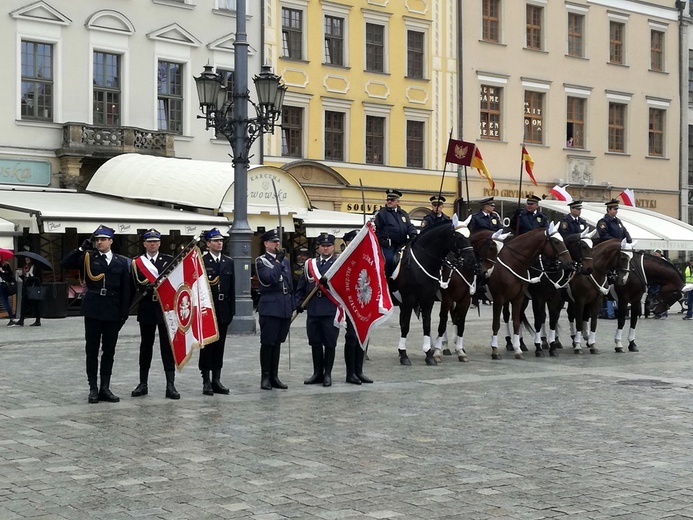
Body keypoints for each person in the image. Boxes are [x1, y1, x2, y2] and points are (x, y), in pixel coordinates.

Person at [61, 225, 130, 403]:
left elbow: (126, 290)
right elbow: (65, 263)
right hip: (93, 308)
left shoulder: (121, 262)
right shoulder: (88, 258)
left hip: (113, 310)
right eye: (97, 239)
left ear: (110, 241)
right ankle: (93, 387)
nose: (99, 242)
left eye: (102, 239)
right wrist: (80, 248)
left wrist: (124, 314)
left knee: (109, 351)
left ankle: (105, 387)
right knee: (91, 350)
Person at [130, 229, 179, 399]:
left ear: (159, 243)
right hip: (147, 308)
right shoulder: (137, 263)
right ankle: (143, 383)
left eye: (155, 241)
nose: (153, 244)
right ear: (144, 243)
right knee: (146, 346)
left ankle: (170, 385)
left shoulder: (169, 260)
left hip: (165, 309)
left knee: (167, 347)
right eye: (149, 241)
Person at [296, 233, 339, 387]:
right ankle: (317, 373)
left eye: (328, 246)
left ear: (333, 247)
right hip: (313, 309)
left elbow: (342, 288)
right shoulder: (310, 264)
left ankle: (327, 374)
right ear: (319, 247)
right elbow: (302, 286)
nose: (326, 248)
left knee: (329, 342)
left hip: (330, 309)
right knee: (315, 342)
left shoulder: (337, 264)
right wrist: (299, 303)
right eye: (323, 246)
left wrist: (328, 284)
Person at [255, 229, 294, 390]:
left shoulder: (283, 260)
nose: (277, 244)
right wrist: (277, 262)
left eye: (278, 242)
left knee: (278, 342)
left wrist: (292, 304)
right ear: (266, 244)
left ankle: (274, 376)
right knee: (268, 342)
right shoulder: (261, 261)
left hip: (284, 305)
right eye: (273, 242)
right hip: (270, 305)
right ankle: (265, 377)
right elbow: (269, 279)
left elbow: (289, 282)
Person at [200, 228, 235, 395]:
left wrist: (232, 312)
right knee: (207, 346)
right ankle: (206, 379)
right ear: (208, 244)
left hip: (223, 309)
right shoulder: (202, 261)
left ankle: (216, 379)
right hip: (208, 309)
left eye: (221, 240)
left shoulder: (228, 262)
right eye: (215, 240)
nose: (219, 243)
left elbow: (232, 289)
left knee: (220, 346)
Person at [342, 229, 373, 385]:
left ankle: (359, 371)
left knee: (363, 335)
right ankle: (350, 373)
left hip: (362, 302)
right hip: (348, 303)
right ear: (347, 243)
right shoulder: (342, 259)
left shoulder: (365, 258)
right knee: (352, 337)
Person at [374, 188, 417, 276]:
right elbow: (376, 229)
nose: (389, 201)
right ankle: (388, 281)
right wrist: (381, 239)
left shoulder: (403, 214)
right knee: (389, 260)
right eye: (388, 199)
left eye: (392, 200)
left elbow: (409, 226)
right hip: (389, 246)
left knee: (410, 259)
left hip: (402, 245)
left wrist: (413, 234)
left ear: (397, 202)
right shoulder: (382, 214)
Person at [16, 256, 43, 327]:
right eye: (25, 259)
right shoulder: (25, 267)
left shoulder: (36, 267)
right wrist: (22, 275)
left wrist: (31, 276)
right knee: (23, 303)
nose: (26, 260)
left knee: (35, 304)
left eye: (28, 259)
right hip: (26, 287)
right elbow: (25, 278)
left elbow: (39, 278)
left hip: (33, 287)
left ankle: (38, 321)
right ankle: (21, 320)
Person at [0, 261, 17, 326]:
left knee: (5, 302)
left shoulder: (5, 265)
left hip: (3, 286)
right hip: (2, 286)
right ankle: (11, 318)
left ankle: (11, 319)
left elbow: (9, 275)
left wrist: (2, 271)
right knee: (5, 302)